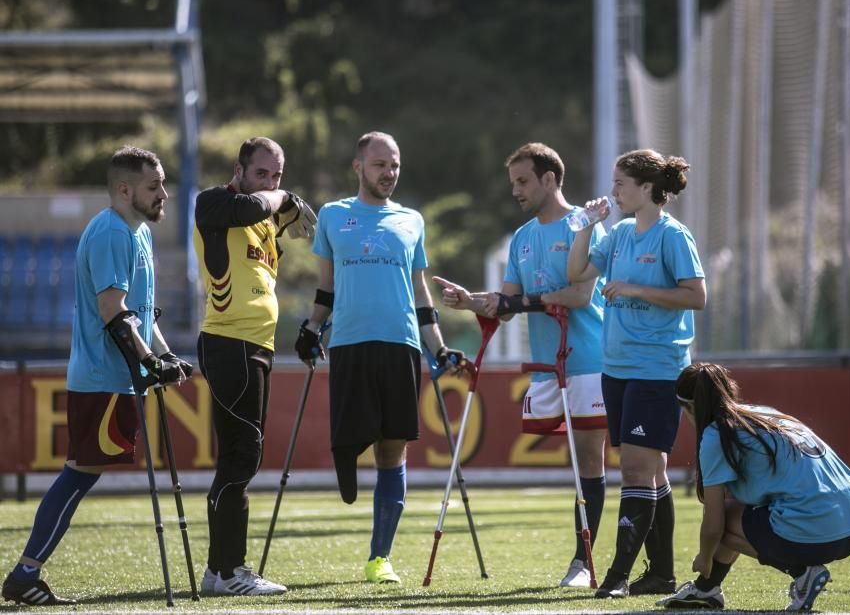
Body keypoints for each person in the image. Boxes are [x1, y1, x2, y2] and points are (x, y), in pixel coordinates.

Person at [2, 146, 192, 606]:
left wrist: (166, 354)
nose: (164, 193)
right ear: (125, 189)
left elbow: (142, 314)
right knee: (79, 474)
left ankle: (27, 571)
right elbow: (114, 313)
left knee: (81, 474)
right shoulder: (111, 232)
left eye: (163, 184)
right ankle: (26, 573)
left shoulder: (139, 233)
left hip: (119, 378)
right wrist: (149, 361)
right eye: (154, 186)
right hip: (102, 378)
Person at [434, 141, 615, 590]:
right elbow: (507, 305)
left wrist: (526, 301)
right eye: (513, 181)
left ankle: (582, 562)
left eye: (522, 181)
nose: (515, 190)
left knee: (589, 461)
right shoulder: (521, 238)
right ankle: (585, 556)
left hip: (590, 359)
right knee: (574, 462)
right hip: (547, 366)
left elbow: (580, 297)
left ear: (550, 179)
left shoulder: (588, 226)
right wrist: (468, 301)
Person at [295, 131, 464, 585]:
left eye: (394, 165)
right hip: (349, 344)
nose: (388, 173)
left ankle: (379, 557)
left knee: (393, 447)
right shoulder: (333, 215)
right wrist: (311, 328)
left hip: (401, 344)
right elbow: (326, 287)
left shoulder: (411, 220)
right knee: (354, 439)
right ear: (358, 167)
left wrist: (439, 346)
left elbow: (420, 291)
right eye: (379, 165)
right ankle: (347, 468)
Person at [567, 149, 706, 598]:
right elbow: (576, 273)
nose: (613, 190)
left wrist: (634, 288)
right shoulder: (622, 232)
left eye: (621, 183)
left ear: (647, 189)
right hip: (618, 370)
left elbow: (697, 296)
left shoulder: (672, 236)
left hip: (657, 369)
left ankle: (617, 576)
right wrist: (587, 225)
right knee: (654, 472)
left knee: (633, 470)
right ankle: (662, 574)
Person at [194, 136, 316, 597]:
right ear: (239, 169)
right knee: (241, 457)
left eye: (277, 175)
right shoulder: (214, 202)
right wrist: (280, 198)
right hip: (229, 342)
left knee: (243, 456)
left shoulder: (264, 222)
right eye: (261, 173)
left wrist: (281, 208)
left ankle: (221, 570)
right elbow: (247, 209)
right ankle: (227, 572)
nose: (270, 183)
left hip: (255, 345)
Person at [661, 363, 850, 612]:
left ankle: (802, 573)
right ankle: (706, 589)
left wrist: (704, 557)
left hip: (818, 530)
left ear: (690, 407)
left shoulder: (716, 434)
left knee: (724, 517)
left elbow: (714, 522)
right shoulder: (763, 412)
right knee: (740, 511)